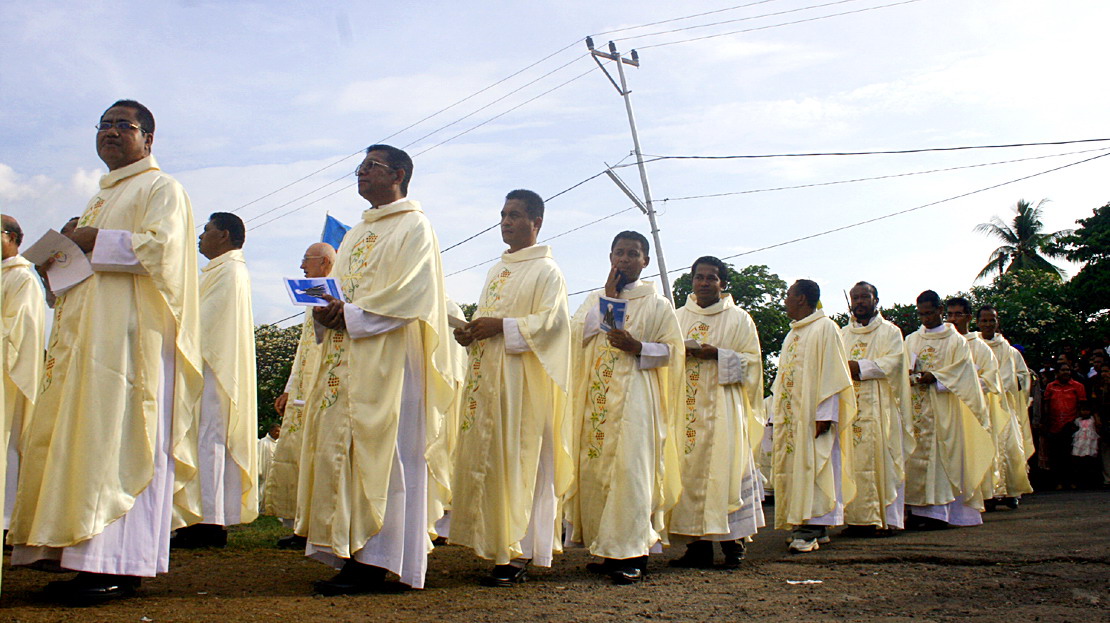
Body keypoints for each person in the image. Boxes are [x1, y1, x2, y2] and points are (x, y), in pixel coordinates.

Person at [8, 100, 203, 604]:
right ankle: (82, 557)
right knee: (84, 444)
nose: (112, 132)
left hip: (129, 343)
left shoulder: (163, 188)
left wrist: (99, 239)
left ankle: (119, 564)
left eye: (124, 125)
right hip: (86, 341)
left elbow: (165, 251)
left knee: (119, 443)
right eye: (105, 125)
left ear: (149, 139)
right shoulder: (99, 198)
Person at [295, 145, 453, 594]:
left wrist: (352, 314)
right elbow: (339, 292)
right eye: (360, 167)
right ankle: (355, 551)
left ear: (398, 175)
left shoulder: (415, 226)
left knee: (390, 459)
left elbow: (411, 294)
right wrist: (325, 312)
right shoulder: (356, 234)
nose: (361, 174)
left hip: (392, 364)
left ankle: (382, 559)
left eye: (371, 167)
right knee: (346, 454)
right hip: (349, 356)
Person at [449, 189, 571, 587]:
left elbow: (553, 326)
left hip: (522, 386)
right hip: (488, 380)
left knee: (520, 462)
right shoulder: (496, 271)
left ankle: (517, 551)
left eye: (515, 215)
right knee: (492, 461)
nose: (505, 221)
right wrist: (471, 332)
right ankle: (493, 542)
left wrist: (501, 327)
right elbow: (489, 321)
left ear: (536, 223)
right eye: (502, 214)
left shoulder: (547, 271)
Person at [564, 230, 684, 584]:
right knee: (598, 472)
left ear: (645, 260)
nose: (625, 260)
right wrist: (609, 299)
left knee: (630, 474)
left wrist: (639, 347)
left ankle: (632, 552)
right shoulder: (594, 299)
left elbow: (674, 353)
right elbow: (575, 336)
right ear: (610, 258)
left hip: (636, 403)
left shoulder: (657, 304)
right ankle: (606, 549)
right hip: (599, 401)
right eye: (619, 253)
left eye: (633, 254)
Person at [668, 256, 765, 568]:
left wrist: (717, 355)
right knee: (687, 473)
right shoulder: (678, 317)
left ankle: (733, 545)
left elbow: (753, 362)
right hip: (686, 409)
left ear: (723, 283)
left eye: (711, 278)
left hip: (724, 408)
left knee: (726, 471)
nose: (704, 283)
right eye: (699, 277)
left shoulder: (739, 319)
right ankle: (697, 547)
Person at [172, 212, 258, 548]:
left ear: (223, 235)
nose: (200, 236)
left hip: (215, 371)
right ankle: (204, 516)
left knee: (210, 442)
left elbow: (205, 322)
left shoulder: (231, 271)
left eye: (206, 230)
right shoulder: (217, 271)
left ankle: (208, 522)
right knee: (203, 443)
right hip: (206, 366)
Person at [770, 279, 856, 553]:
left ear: (802, 299)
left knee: (815, 467)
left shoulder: (826, 328)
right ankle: (807, 525)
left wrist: (826, 414)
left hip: (813, 417)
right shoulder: (793, 334)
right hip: (792, 417)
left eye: (788, 295)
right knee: (797, 469)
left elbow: (833, 374)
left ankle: (811, 528)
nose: (785, 300)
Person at [265, 242, 335, 549]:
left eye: (306, 260)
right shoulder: (312, 296)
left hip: (323, 387)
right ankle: (297, 523)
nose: (302, 266)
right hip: (302, 390)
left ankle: (314, 527)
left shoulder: (335, 294)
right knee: (296, 456)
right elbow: (303, 347)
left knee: (317, 458)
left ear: (324, 262)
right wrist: (288, 388)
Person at [903, 290, 992, 529]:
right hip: (917, 407)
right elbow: (903, 366)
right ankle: (918, 511)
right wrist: (911, 374)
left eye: (930, 313)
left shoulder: (956, 341)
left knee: (942, 460)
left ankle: (940, 514)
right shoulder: (912, 339)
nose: (925, 319)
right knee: (915, 459)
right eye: (921, 314)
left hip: (945, 410)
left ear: (940, 310)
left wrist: (936, 377)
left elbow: (965, 374)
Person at [838, 281, 912, 535]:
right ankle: (857, 520)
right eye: (855, 297)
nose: (859, 302)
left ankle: (884, 519)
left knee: (883, 460)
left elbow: (895, 362)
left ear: (875, 300)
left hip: (880, 408)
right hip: (850, 409)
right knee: (851, 462)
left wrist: (860, 367)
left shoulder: (891, 332)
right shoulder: (842, 334)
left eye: (864, 297)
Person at [2, 215, 47, 530]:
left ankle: (6, 520)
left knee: (7, 446)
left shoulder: (22, 278)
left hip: (8, 377)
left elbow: (20, 329)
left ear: (13, 237)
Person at [975, 305, 1033, 508]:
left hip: (1004, 404)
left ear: (997, 322)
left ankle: (1010, 492)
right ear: (977, 322)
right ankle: (987, 494)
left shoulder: (1009, 350)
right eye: (984, 320)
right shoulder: (972, 345)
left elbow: (1023, 376)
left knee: (1009, 447)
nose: (988, 324)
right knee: (984, 447)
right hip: (982, 405)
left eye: (992, 320)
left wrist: (1014, 383)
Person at [945, 297, 1001, 505]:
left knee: (972, 454)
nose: (952, 320)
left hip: (971, 409)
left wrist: (964, 381)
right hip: (945, 409)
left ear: (969, 317)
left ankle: (979, 495)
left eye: (957, 315)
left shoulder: (981, 348)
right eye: (949, 315)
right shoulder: (943, 342)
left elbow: (991, 381)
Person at [1041, 361, 1086, 489]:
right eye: (1063, 370)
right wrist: (1045, 421)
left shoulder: (1077, 386)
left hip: (1072, 425)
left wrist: (1077, 421)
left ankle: (1072, 481)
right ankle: (1058, 482)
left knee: (1071, 455)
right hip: (1054, 425)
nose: (1066, 372)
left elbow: (1081, 404)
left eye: (1068, 370)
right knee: (1056, 455)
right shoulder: (1051, 387)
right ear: (1057, 372)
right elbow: (1046, 404)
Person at [257, 423, 280, 511]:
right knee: (264, 487)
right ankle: (261, 507)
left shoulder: (280, 443)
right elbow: (259, 455)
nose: (278, 433)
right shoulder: (263, 442)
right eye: (276, 431)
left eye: (279, 431)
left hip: (276, 469)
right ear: (271, 431)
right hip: (265, 468)